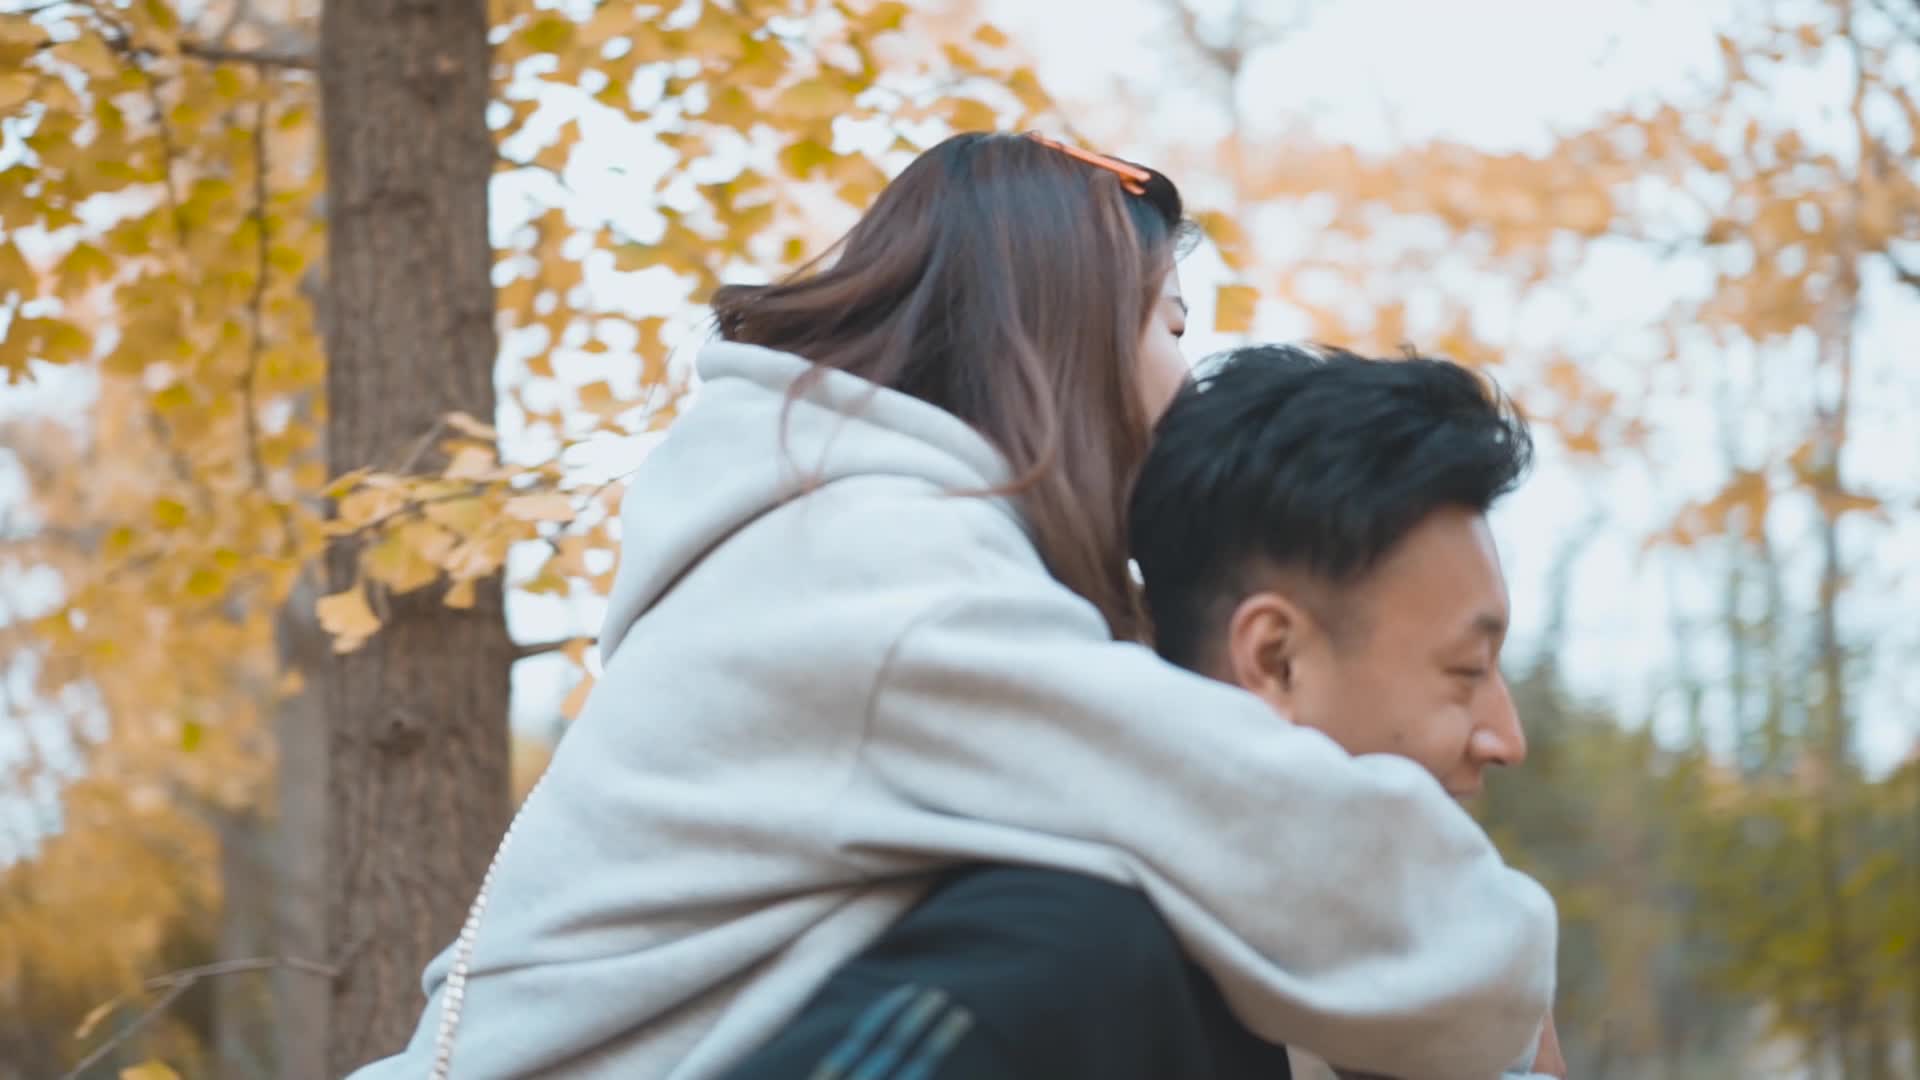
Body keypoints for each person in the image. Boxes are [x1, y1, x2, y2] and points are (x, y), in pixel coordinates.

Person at [348, 133, 1555, 1080]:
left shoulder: (868, 549)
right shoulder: (875, 568)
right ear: (1068, 334)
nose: (1187, 381)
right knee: (1085, 931)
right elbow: (1240, 818)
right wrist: (1507, 977)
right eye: (1172, 325)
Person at [718, 344, 1566, 1080]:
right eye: (1465, 671)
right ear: (1275, 658)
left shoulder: (1405, 992)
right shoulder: (1068, 956)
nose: (1507, 738)